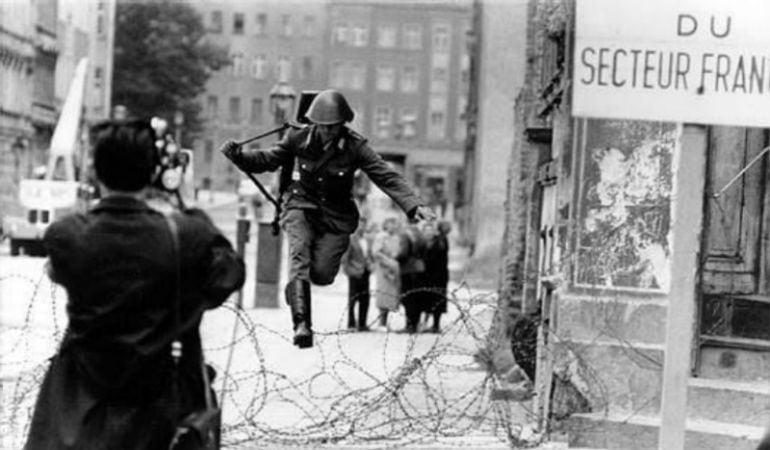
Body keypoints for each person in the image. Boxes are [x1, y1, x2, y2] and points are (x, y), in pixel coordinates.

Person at [24, 120, 245, 450]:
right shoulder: (184, 237)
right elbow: (229, 273)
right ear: (153, 174)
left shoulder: (69, 235)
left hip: (79, 409)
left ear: (96, 172)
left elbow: (56, 270)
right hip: (159, 406)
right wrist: (186, 204)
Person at [221, 89, 434, 348]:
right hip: (300, 205)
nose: (329, 132)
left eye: (334, 127)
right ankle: (301, 324)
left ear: (343, 124)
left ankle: (300, 286)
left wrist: (414, 205)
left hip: (336, 216)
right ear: (314, 123)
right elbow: (269, 159)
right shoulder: (297, 137)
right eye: (324, 126)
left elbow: (385, 175)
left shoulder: (355, 147)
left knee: (321, 274)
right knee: (298, 253)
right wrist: (240, 156)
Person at [341, 217, 374, 331]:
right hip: (354, 274)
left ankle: (362, 324)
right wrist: (350, 272)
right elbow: (345, 259)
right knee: (352, 299)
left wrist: (371, 265)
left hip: (366, 273)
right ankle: (351, 324)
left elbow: (369, 255)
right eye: (360, 224)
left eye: (364, 225)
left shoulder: (367, 239)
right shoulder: (350, 239)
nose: (362, 227)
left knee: (365, 299)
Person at [372, 216, 402, 330]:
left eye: (395, 224)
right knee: (383, 294)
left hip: (393, 268)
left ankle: (386, 321)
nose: (394, 226)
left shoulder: (394, 237)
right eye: (391, 224)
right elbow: (376, 252)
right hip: (383, 268)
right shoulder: (381, 237)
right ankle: (381, 322)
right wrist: (388, 261)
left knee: (391, 296)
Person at [397, 222, 427, 334]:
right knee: (417, 298)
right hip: (420, 268)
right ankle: (416, 324)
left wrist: (396, 259)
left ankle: (409, 325)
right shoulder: (421, 235)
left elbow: (403, 253)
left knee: (408, 298)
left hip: (408, 269)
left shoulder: (405, 235)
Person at [421, 220, 450, 333]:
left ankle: (435, 325)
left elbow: (437, 257)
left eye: (431, 229)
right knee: (429, 299)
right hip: (431, 275)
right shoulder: (430, 241)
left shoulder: (440, 241)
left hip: (437, 275)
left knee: (436, 299)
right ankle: (428, 323)